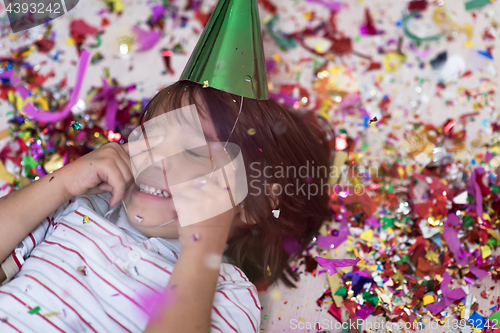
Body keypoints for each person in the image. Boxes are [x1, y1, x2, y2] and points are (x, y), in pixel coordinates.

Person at [0, 1, 332, 332]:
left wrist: (203, 251)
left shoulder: (229, 293)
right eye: (150, 136)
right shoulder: (80, 210)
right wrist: (61, 184)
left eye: (195, 151)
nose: (155, 157)